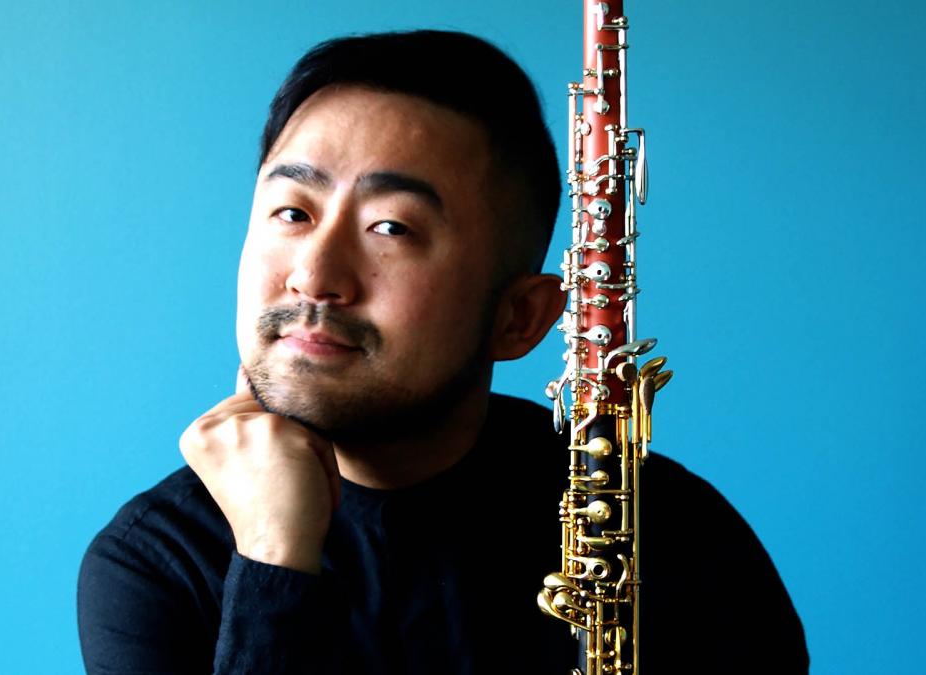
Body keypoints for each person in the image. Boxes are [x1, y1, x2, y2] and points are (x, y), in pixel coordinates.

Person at [76, 30, 809, 674]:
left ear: (520, 317)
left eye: (392, 228)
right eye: (292, 212)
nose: (315, 276)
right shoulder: (158, 563)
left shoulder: (681, 542)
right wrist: (274, 552)